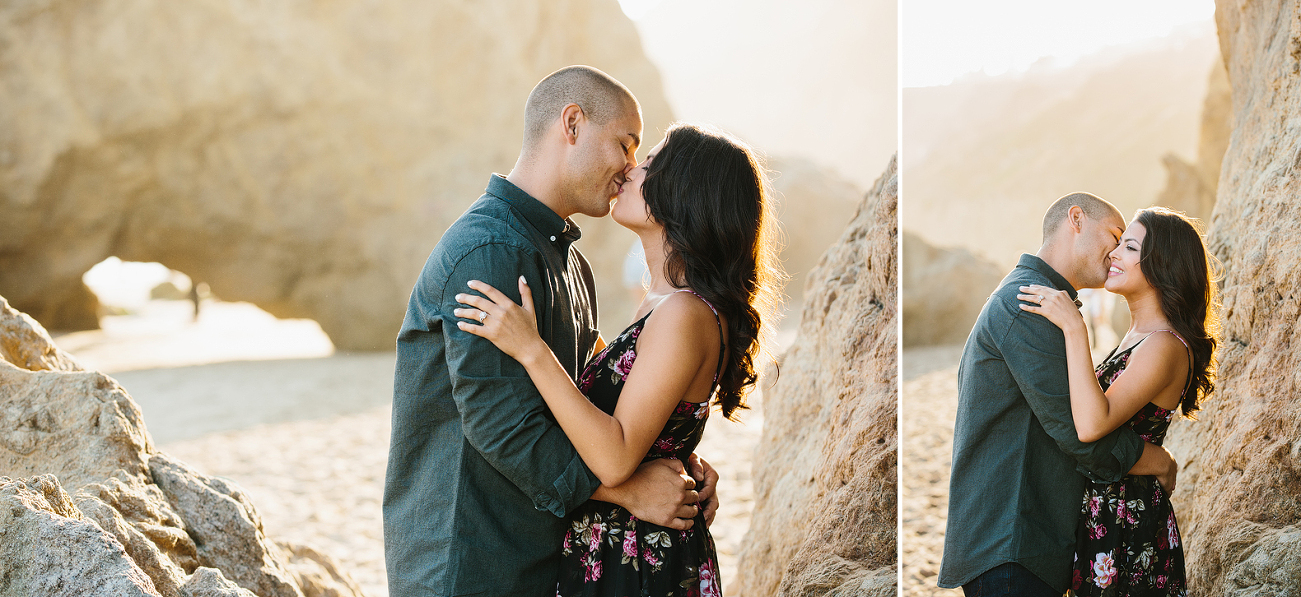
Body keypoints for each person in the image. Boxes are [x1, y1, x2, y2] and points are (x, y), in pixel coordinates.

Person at [384, 66, 720, 597]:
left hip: (536, 559)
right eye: (625, 145)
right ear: (572, 124)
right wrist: (629, 491)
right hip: (471, 564)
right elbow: (502, 425)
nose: (629, 168)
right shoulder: (490, 252)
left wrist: (673, 460)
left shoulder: (570, 265)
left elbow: (597, 402)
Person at [454, 123, 781, 595]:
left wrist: (532, 350)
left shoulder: (683, 313)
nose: (630, 169)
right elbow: (650, 423)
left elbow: (615, 456)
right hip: (621, 547)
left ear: (681, 193)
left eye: (648, 163)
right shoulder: (664, 305)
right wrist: (679, 457)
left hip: (638, 562)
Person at [939, 192, 1180, 596]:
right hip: (1011, 544)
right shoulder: (1028, 304)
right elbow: (1077, 432)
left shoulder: (1042, 300)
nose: (1117, 251)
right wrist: (1158, 460)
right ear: (1076, 220)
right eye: (1115, 235)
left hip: (1023, 543)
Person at [1017, 207, 1217, 596]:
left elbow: (1092, 424)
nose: (1113, 254)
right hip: (1106, 513)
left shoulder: (1163, 345)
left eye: (1128, 246)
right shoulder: (1138, 337)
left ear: (1161, 263)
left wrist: (1075, 328)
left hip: (1129, 522)